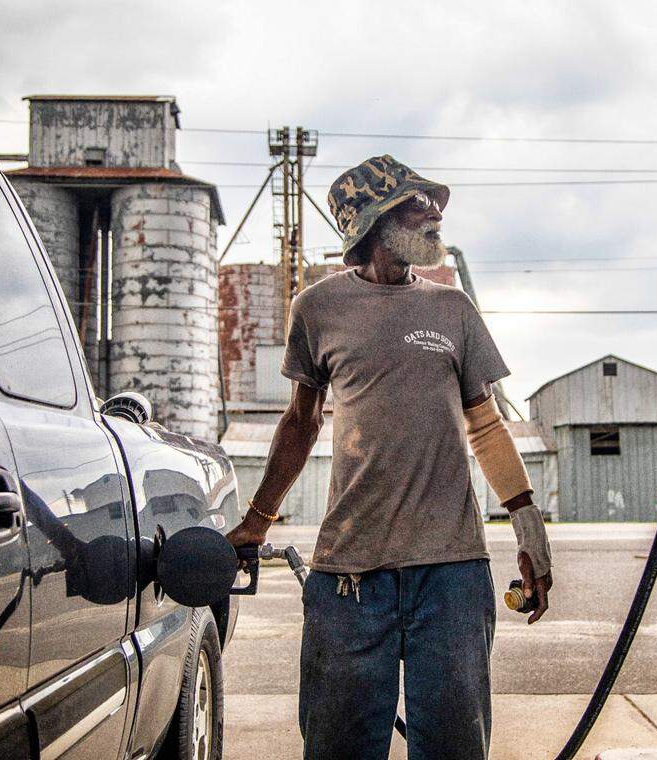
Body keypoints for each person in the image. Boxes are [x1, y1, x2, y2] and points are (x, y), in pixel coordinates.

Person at [225, 155, 553, 760]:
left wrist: (529, 527)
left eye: (434, 202)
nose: (435, 214)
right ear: (373, 222)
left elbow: (485, 423)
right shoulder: (317, 309)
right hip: (349, 575)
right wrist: (258, 517)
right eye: (415, 203)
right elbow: (301, 421)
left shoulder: (452, 309)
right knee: (338, 749)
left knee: (455, 751)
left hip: (451, 574)